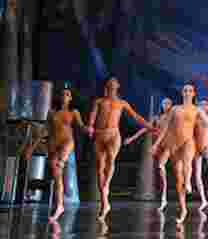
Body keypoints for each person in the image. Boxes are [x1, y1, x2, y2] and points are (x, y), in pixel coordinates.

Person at [85, 77, 155, 221]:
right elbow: (93, 115)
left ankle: (106, 186)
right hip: (99, 134)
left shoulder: (122, 103)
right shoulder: (99, 101)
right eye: (110, 82)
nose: (112, 84)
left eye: (114, 82)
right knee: (100, 168)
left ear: (117, 86)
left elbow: (136, 116)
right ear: (107, 86)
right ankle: (105, 201)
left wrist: (148, 126)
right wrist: (90, 126)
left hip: (113, 135)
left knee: (111, 160)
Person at [151, 83, 208, 223]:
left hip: (188, 141)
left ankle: (188, 183)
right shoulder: (175, 109)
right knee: (178, 179)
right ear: (182, 93)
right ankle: (183, 208)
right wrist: (156, 144)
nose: (187, 92)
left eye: (190, 91)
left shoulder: (197, 110)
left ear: (193, 93)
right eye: (185, 90)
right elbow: (165, 129)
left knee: (187, 163)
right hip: (175, 144)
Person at [26, 88, 86, 222]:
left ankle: (60, 204)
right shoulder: (52, 112)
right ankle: (59, 206)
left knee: (60, 163)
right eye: (62, 94)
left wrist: (88, 129)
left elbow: (81, 126)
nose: (64, 96)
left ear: (70, 98)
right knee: (57, 177)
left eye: (67, 94)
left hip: (67, 141)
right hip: (53, 144)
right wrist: (31, 148)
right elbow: (44, 131)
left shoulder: (73, 112)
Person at [123, 97, 174, 211]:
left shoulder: (173, 117)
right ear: (161, 105)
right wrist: (131, 138)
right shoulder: (156, 118)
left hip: (168, 145)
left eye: (168, 103)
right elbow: (145, 128)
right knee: (160, 171)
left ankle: (166, 195)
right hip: (158, 146)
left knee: (161, 165)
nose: (166, 105)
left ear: (171, 105)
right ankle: (163, 196)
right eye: (164, 103)